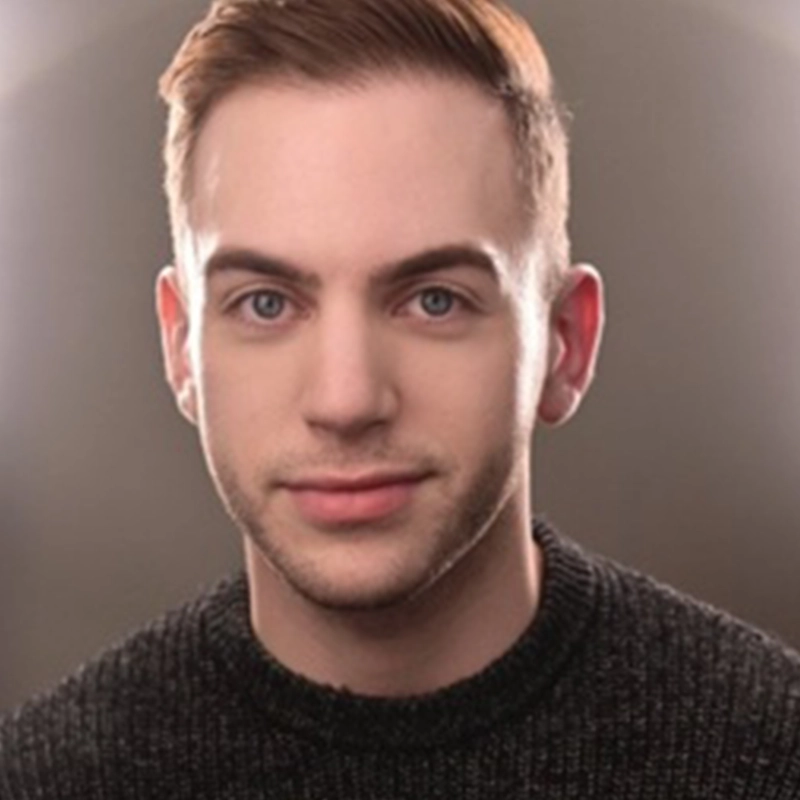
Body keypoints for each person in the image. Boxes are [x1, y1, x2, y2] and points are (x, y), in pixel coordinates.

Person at [2, 0, 799, 796]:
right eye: (267, 303)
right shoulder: (44, 778)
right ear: (181, 347)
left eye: (434, 301)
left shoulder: (770, 751)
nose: (347, 400)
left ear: (565, 343)